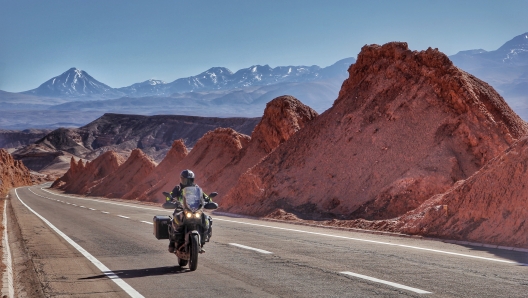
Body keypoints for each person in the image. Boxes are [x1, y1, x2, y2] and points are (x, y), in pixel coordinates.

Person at [167, 169, 214, 253]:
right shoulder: (177, 188)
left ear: (192, 180)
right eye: (185, 179)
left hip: (194, 208)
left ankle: (203, 239)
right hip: (181, 208)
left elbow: (205, 196)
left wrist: (209, 200)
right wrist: (170, 200)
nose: (187, 182)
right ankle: (172, 242)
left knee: (206, 218)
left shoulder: (197, 188)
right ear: (181, 179)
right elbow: (170, 196)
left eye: (189, 180)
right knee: (174, 219)